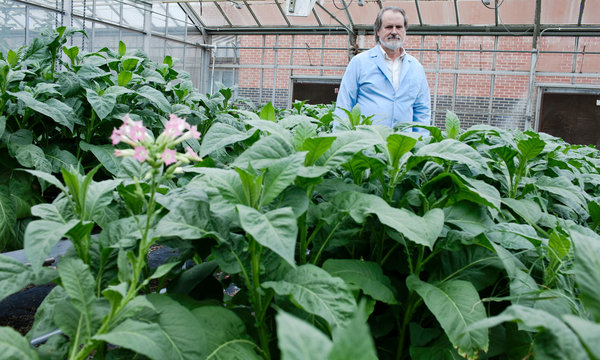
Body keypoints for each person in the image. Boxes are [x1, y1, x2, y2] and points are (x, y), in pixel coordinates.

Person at [335, 6, 431, 131]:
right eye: (389, 27)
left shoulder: (416, 68)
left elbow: (422, 110)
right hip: (367, 144)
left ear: (405, 30)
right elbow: (344, 105)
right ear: (378, 31)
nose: (394, 32)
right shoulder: (359, 63)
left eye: (399, 27)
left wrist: (419, 143)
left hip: (402, 146)